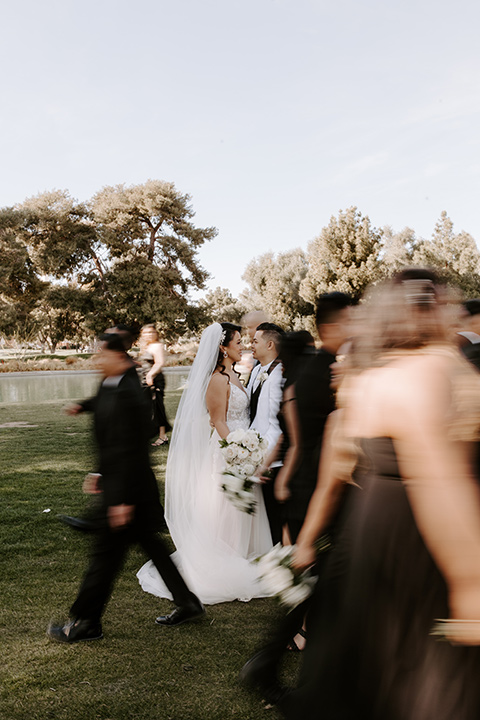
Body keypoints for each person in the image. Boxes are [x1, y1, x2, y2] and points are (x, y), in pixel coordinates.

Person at [284, 269, 480, 719]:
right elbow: (439, 479)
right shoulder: (421, 373)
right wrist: (471, 580)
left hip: (379, 533)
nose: (453, 307)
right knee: (429, 680)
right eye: (444, 300)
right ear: (422, 309)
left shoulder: (377, 376)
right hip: (419, 534)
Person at [48, 333, 203, 643]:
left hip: (127, 491)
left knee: (105, 555)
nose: (96, 360)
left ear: (118, 357)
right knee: (152, 546)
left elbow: (129, 450)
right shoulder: (113, 380)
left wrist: (118, 499)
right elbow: (104, 404)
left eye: (100, 355)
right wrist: (83, 405)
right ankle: (187, 602)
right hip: (131, 489)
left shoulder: (131, 392)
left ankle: (86, 622)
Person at [136, 322, 273, 605]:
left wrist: (247, 448)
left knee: (240, 507)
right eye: (237, 342)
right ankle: (223, 560)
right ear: (223, 347)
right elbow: (218, 420)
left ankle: (242, 554)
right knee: (225, 508)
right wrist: (239, 450)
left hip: (241, 445)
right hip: (227, 450)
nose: (242, 346)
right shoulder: (217, 379)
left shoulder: (236, 376)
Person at [247, 322, 285, 544]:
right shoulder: (258, 369)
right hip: (256, 452)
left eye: (255, 341)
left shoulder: (278, 374)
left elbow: (276, 424)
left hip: (272, 461)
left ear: (270, 344)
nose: (251, 345)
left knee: (274, 519)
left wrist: (263, 460)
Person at [138, 324, 171, 446]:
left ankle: (163, 436)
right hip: (144, 380)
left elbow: (159, 362)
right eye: (146, 333)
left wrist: (150, 375)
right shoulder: (147, 346)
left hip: (154, 379)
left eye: (151, 332)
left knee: (157, 406)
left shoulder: (157, 346)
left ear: (156, 333)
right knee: (146, 407)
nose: (149, 335)